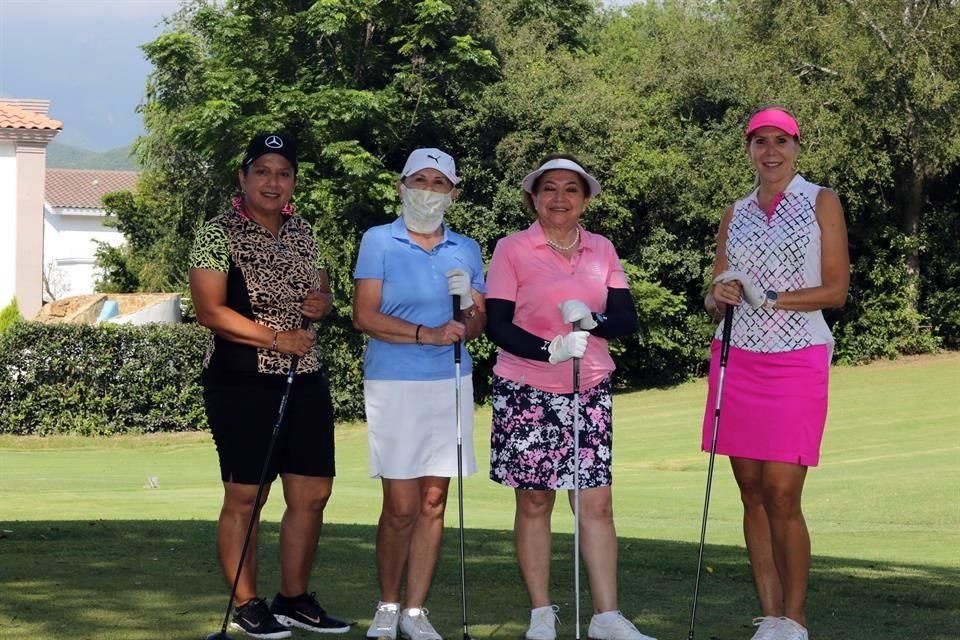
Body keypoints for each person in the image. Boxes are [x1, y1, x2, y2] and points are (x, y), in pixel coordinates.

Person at [485, 154, 656, 640]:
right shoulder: (511, 249)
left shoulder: (602, 250)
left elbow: (625, 319)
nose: (559, 198)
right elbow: (498, 325)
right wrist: (550, 348)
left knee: (595, 504)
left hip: (590, 386)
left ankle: (606, 616)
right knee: (536, 501)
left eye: (571, 190)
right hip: (526, 386)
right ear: (534, 197)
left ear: (585, 199)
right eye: (549, 189)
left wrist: (592, 323)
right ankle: (541, 614)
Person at [190, 132, 350, 639]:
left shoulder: (304, 231)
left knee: (314, 491)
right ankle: (247, 602)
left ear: (293, 182)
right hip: (241, 380)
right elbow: (209, 310)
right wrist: (276, 338)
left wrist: (322, 304)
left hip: (304, 377)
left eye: (283, 173)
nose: (273, 182)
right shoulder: (217, 234)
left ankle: (294, 599)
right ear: (243, 177)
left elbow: (321, 293)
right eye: (262, 171)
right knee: (247, 496)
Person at [702, 106, 849, 640]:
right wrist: (718, 295)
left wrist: (774, 298)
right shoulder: (734, 211)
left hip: (797, 357)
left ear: (796, 146)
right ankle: (770, 617)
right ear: (748, 149)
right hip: (736, 358)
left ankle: (795, 617)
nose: (771, 152)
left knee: (784, 493)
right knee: (752, 491)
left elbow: (835, 290)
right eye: (760, 142)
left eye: (780, 141)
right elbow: (720, 293)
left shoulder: (820, 201)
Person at [352, 148, 487, 640]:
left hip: (449, 382)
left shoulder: (465, 249)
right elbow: (363, 315)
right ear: (401, 186)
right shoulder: (378, 240)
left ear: (453, 192)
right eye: (420, 180)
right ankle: (387, 605)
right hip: (393, 380)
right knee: (401, 503)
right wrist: (424, 334)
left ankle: (414, 611)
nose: (428, 191)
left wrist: (469, 308)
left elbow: (477, 323)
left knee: (434, 500)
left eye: (439, 183)